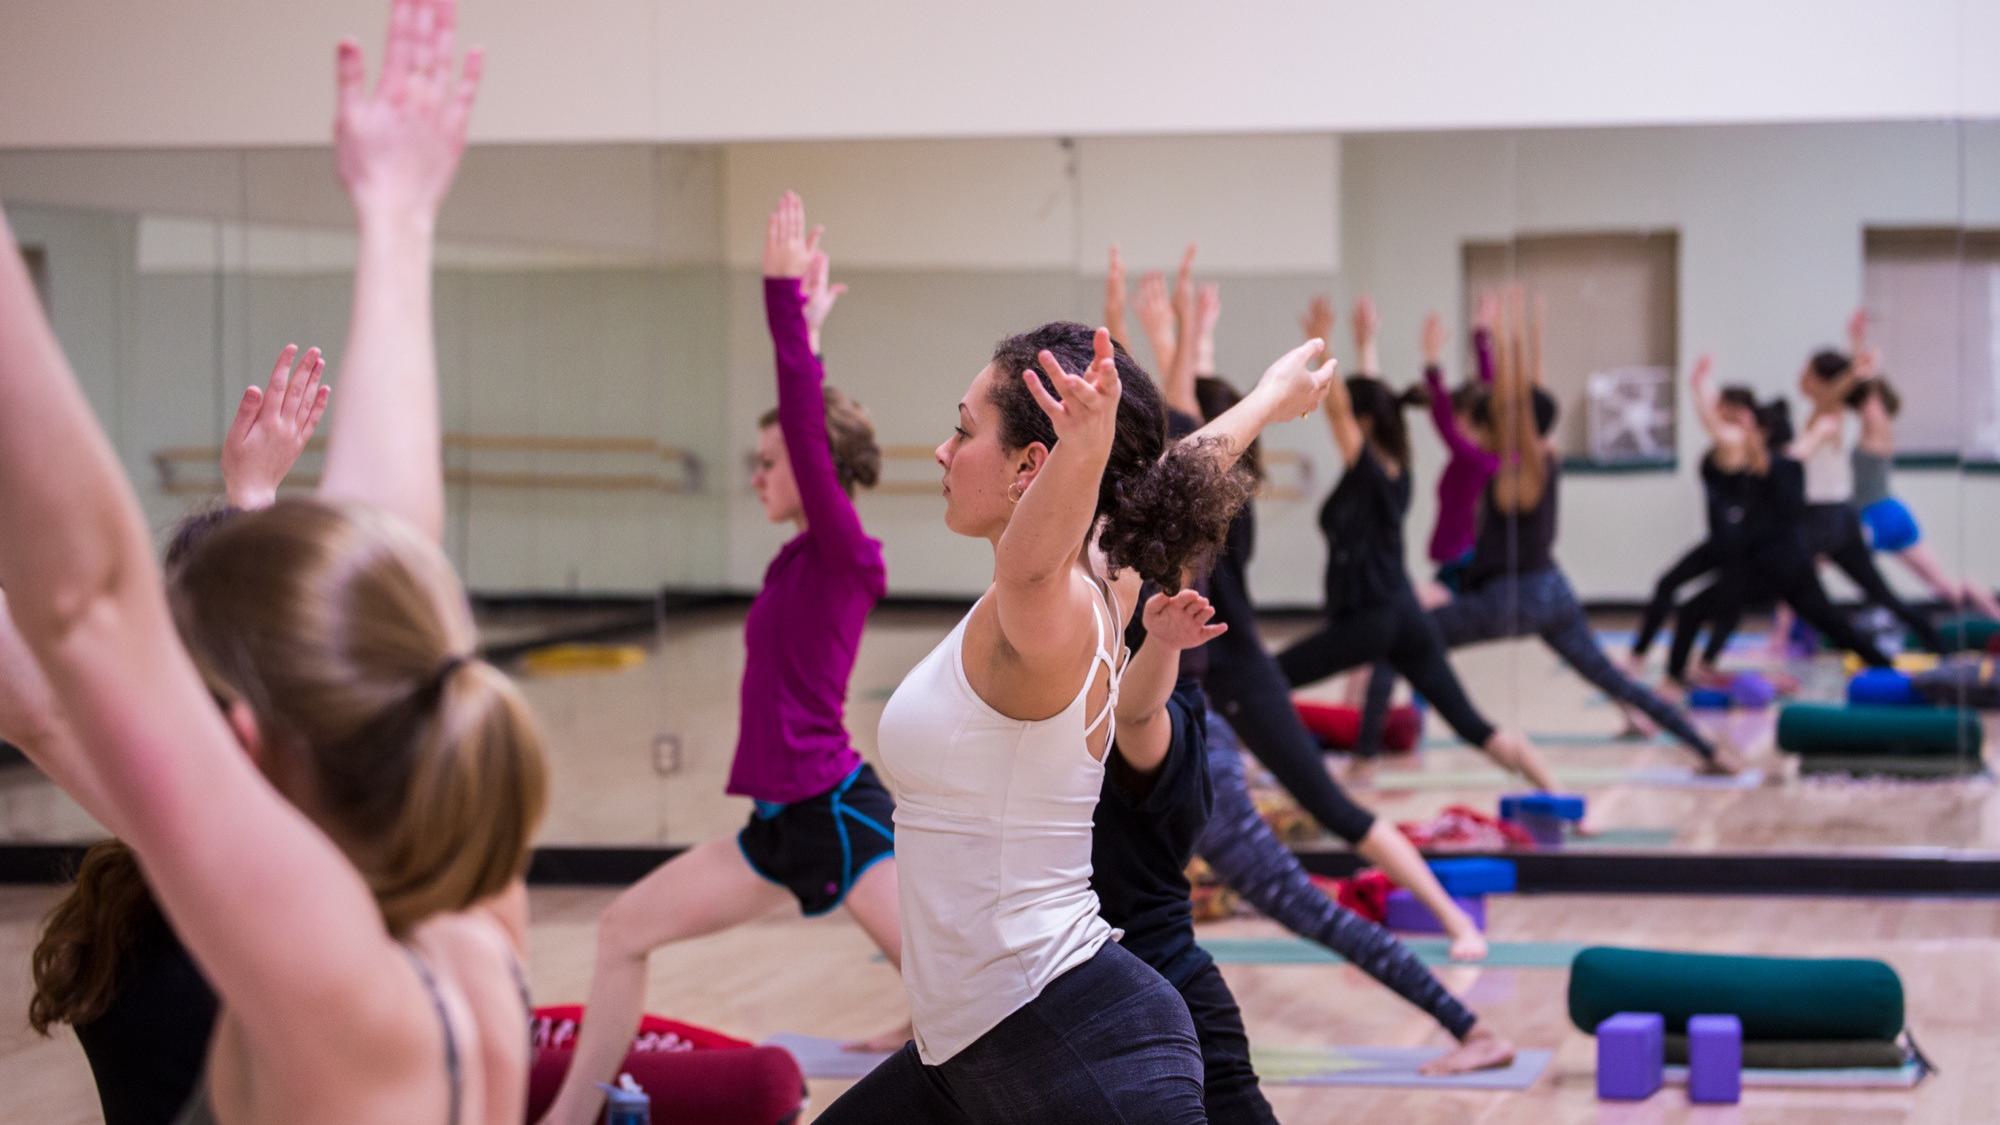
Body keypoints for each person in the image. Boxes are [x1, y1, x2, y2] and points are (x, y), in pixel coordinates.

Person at [0, 2, 550, 1122]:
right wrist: (396, 220)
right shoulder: (475, 918)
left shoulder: (329, 977)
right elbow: (391, 574)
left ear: (243, 739)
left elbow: (85, 615)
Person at [819, 320, 1332, 1123]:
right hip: (972, 1049)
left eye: (963, 428)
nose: (943, 452)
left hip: (1071, 1039)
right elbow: (1173, 476)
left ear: (1033, 464)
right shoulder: (1108, 567)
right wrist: (1267, 400)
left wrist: (1084, 448)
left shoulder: (1051, 611)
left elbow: (1029, 562)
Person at [537, 193, 900, 1125]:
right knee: (621, 931)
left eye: (770, 461)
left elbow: (807, 438)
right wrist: (811, 336)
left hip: (837, 817)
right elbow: (806, 430)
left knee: (969, 1000)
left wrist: (783, 303)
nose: (757, 475)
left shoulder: (843, 554)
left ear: (818, 468)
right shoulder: (794, 561)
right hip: (779, 824)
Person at [1104, 258, 1489, 960]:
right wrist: (1182, 331)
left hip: (1237, 674)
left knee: (1335, 809)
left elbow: (1186, 406)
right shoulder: (1195, 493)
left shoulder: (1207, 498)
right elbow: (1184, 404)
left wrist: (1177, 330)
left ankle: (1454, 920)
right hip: (1192, 678)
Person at [20, 345, 329, 1125]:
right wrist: (251, 493)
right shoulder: (217, 839)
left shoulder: (199, 842)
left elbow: (41, 707)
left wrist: (251, 495)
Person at [1359, 295, 1734, 771]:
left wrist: (1495, 340)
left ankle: (1363, 758)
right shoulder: (1540, 459)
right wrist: (1501, 337)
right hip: (1552, 592)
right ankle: (1705, 747)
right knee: (1613, 681)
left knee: (1396, 645)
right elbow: (1524, 399)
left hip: (1511, 598)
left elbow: (1511, 402)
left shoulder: (1514, 468)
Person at [1272, 311, 1553, 791]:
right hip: (1404, 614)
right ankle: (1555, 791)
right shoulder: (1396, 463)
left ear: (1363, 423)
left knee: (1265, 682)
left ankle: (1284, 774)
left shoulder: (1368, 470)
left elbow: (1343, 412)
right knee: (1473, 726)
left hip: (1371, 620)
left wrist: (1320, 344)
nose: (1323, 413)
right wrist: (1365, 344)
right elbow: (1370, 404)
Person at [1785, 311, 1946, 653]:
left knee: (1793, 578)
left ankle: (1786, 643)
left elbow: (1840, 392)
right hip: (1834, 516)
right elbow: (1844, 388)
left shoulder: (1828, 411)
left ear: (1818, 381)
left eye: (1806, 372)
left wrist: (1855, 364)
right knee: (1873, 592)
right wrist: (1855, 348)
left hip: (1828, 517)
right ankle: (1932, 641)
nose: (1800, 377)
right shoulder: (1821, 410)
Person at [1843, 312, 2000, 620]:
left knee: (1807, 564)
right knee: (1946, 586)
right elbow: (1863, 388)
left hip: (1875, 516)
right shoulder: (1878, 429)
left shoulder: (1876, 425)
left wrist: (1856, 340)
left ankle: (1782, 638)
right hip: (1893, 513)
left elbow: (1865, 387)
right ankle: (1995, 614)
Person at [1627, 358, 1766, 678]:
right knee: (1707, 598)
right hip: (1726, 540)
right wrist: (1704, 383)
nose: (1715, 406)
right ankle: (1683, 659)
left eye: (1721, 404)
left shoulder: (1734, 439)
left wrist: (1696, 385)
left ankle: (1669, 659)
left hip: (1730, 542)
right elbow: (1715, 413)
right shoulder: (1745, 438)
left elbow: (1711, 419)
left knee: (1709, 600)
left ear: (1733, 409)